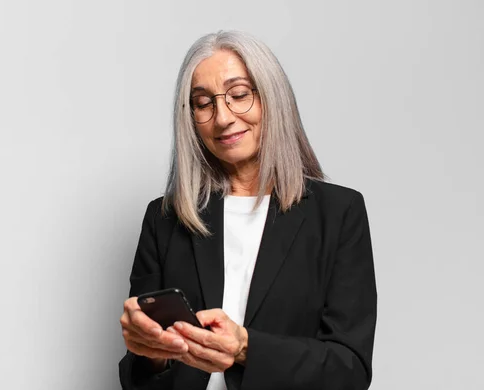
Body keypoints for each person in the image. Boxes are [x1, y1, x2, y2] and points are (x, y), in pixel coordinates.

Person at [118, 30, 377, 390]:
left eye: (239, 95)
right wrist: (155, 351)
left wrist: (245, 348)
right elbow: (136, 377)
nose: (222, 117)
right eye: (203, 103)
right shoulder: (165, 219)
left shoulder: (338, 214)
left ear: (272, 99)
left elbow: (348, 370)